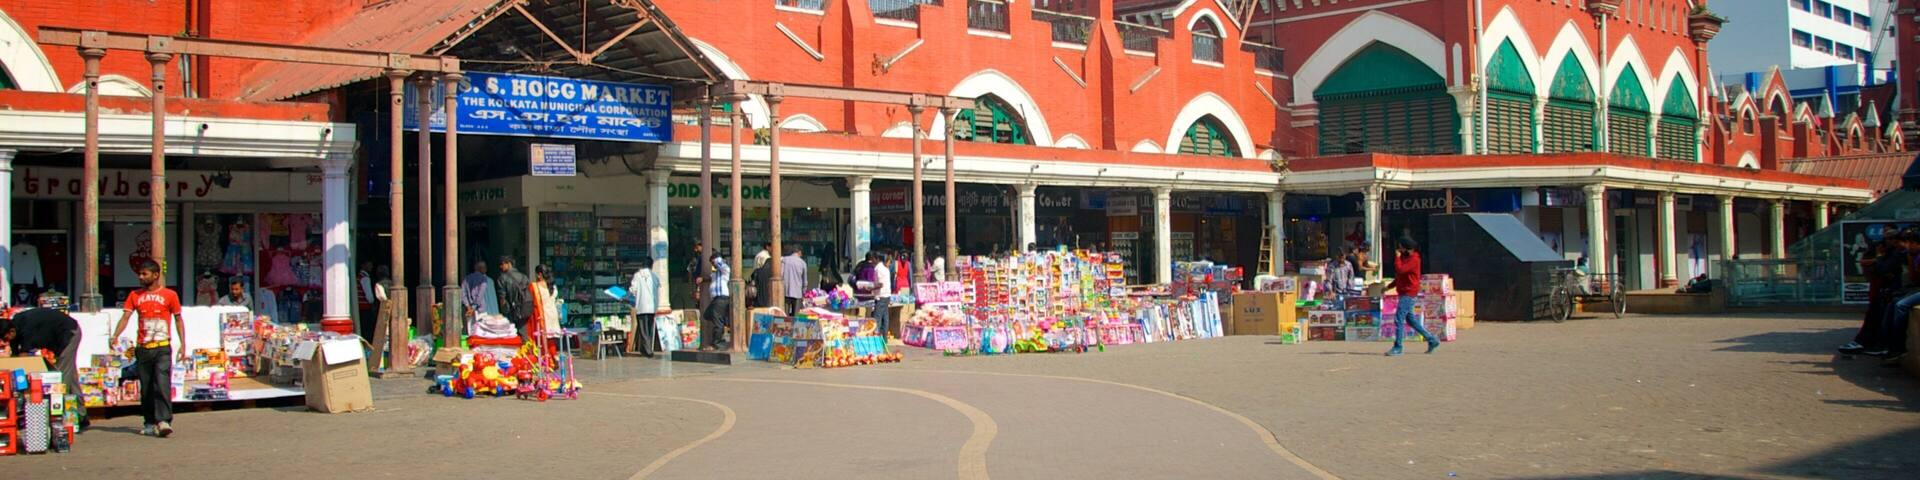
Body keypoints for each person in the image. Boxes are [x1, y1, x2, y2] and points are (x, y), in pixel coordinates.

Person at [111, 259, 186, 438]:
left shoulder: (170, 295)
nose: (140, 277)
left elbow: (178, 319)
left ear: (155, 275)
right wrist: (115, 335)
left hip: (162, 347)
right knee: (146, 387)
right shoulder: (134, 296)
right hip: (143, 347)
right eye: (140, 273)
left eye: (144, 274)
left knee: (162, 383)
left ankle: (164, 421)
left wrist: (183, 345)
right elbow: (126, 317)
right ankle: (149, 421)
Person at [2, 307, 86, 430]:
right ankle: (81, 415)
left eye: (5, 339)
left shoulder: (26, 331)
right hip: (58, 337)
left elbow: (23, 361)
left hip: (68, 333)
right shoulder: (16, 326)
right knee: (69, 376)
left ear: (11, 332)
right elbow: (16, 358)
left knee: (60, 379)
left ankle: (62, 420)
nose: (5, 342)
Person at [1842, 239, 1902, 355]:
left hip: (1896, 292)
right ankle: (1865, 342)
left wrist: (1879, 258)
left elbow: (1882, 269)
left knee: (1889, 306)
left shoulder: (1898, 255)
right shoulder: (1893, 255)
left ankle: (1881, 345)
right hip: (1886, 292)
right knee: (1876, 308)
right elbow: (1867, 263)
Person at [1387, 237, 1440, 356]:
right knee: (1410, 319)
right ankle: (1432, 340)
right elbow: (1401, 277)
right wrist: (1389, 286)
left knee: (1398, 319)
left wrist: (1397, 257)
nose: (1399, 249)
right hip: (1404, 292)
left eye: (1401, 247)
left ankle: (1398, 347)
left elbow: (1400, 270)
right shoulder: (1406, 259)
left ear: (1406, 248)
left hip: (1408, 293)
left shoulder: (1414, 260)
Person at [626, 256, 660, 357]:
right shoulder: (654, 276)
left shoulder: (637, 275)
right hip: (652, 307)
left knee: (643, 328)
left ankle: (648, 350)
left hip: (641, 306)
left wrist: (627, 295)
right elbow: (658, 287)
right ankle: (645, 349)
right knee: (649, 328)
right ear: (651, 265)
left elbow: (633, 289)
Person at [494, 256, 534, 341]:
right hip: (525, 307)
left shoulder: (502, 278)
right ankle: (526, 350)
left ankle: (515, 351)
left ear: (508, 264)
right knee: (523, 331)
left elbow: (502, 297)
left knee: (510, 332)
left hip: (511, 309)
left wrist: (503, 310)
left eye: (502, 264)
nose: (500, 267)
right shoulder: (523, 276)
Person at [704, 252, 732, 350]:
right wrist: (702, 279)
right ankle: (721, 327)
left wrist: (716, 260)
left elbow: (722, 266)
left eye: (712, 263)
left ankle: (717, 342)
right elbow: (710, 277)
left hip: (721, 298)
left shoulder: (725, 271)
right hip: (715, 300)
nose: (712, 265)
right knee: (707, 315)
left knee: (717, 321)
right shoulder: (715, 274)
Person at [529, 265, 561, 342]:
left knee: (543, 340)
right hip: (553, 313)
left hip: (543, 315)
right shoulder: (553, 286)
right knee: (552, 339)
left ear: (539, 274)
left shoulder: (534, 286)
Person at [782, 246, 808, 313]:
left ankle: (785, 323)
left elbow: (780, 275)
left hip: (785, 292)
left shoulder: (784, 260)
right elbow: (804, 281)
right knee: (795, 316)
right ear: (799, 252)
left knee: (785, 315)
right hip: (797, 293)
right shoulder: (802, 263)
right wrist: (803, 293)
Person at [688, 241, 709, 315]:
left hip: (704, 282)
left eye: (697, 248)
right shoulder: (695, 259)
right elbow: (690, 273)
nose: (695, 250)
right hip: (698, 283)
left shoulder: (706, 257)